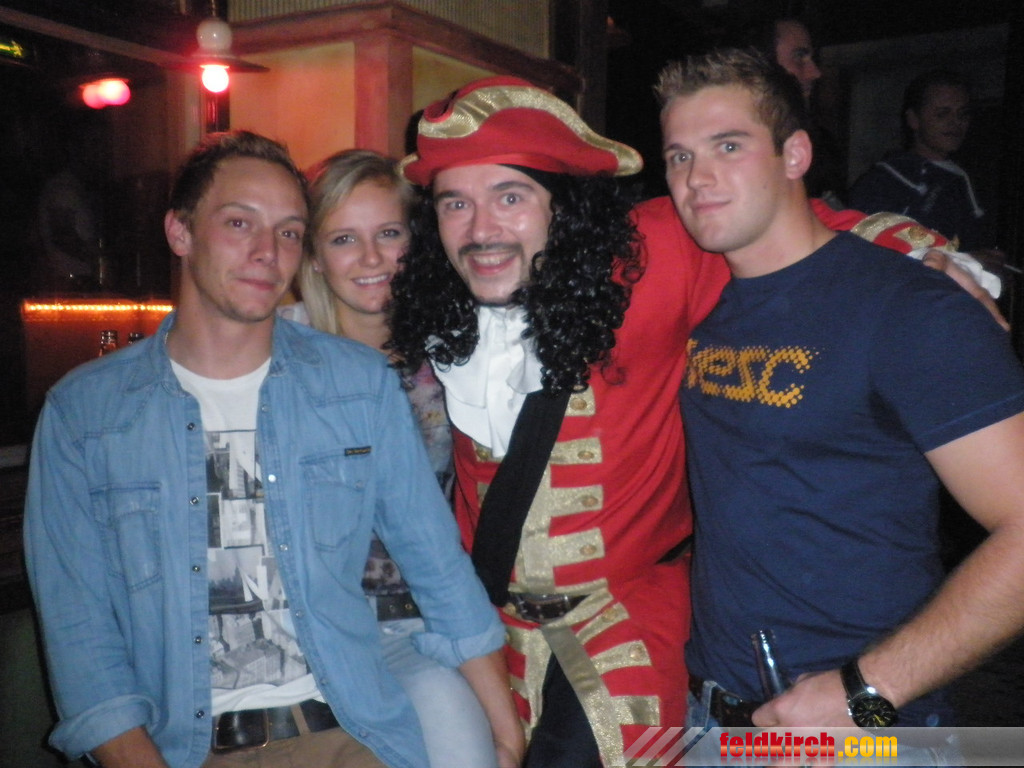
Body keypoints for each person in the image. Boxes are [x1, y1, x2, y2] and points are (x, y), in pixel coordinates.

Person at [385, 74, 995, 766]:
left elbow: (791, 224)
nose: (480, 229)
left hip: (626, 624)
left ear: (563, 205)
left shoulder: (647, 258)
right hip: (497, 632)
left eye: (510, 196)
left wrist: (922, 252)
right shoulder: (438, 303)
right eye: (455, 203)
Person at [24, 130, 522, 768]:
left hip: (354, 729)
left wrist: (506, 733)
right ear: (180, 232)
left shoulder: (358, 384)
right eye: (240, 223)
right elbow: (81, 640)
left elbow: (439, 568)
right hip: (188, 747)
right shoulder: (85, 414)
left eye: (288, 231)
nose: (267, 251)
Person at [657, 47, 1024, 742]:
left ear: (795, 154)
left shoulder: (912, 309)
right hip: (712, 719)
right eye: (679, 156)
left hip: (868, 731)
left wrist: (868, 693)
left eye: (728, 146)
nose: (697, 178)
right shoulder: (702, 302)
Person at [278, 148, 504, 768]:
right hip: (319, 630)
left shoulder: (457, 351)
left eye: (388, 234)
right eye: (344, 239)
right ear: (314, 256)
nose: (372, 258)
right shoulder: (276, 356)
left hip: (437, 620)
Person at [850, 69, 997, 256]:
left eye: (962, 114)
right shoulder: (884, 182)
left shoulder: (965, 180)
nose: (955, 123)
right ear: (914, 119)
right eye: (942, 114)